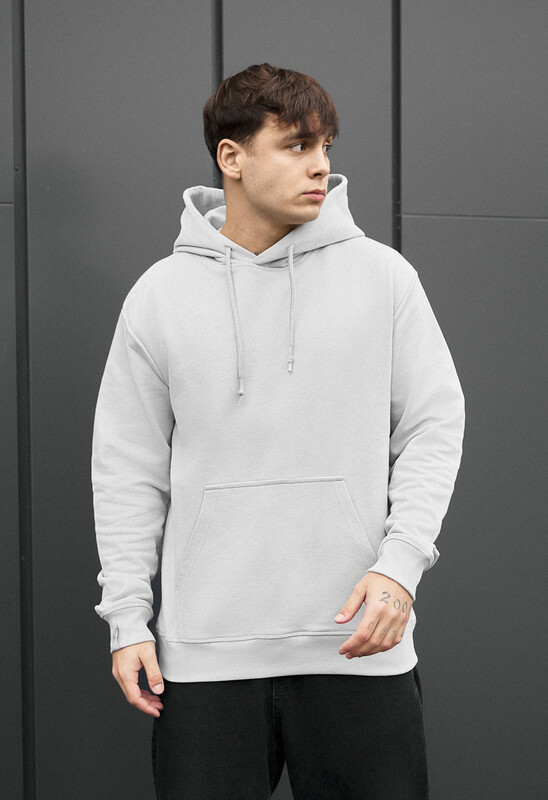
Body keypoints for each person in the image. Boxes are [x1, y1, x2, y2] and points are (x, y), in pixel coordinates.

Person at [91, 63, 465, 799]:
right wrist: (128, 617)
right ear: (231, 157)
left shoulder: (384, 279)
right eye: (296, 145)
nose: (320, 164)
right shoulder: (159, 297)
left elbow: (433, 425)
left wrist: (401, 566)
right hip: (204, 662)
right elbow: (127, 469)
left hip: (357, 649)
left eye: (325, 145)